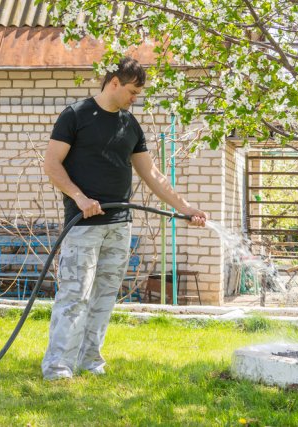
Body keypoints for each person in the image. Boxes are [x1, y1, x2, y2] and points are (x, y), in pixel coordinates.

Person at [41, 57, 207, 380]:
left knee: (104, 296)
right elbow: (51, 165)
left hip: (119, 227)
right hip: (83, 225)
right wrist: (80, 198)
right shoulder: (75, 116)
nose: (135, 98)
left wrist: (185, 208)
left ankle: (90, 360)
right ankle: (58, 366)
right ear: (114, 82)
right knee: (75, 295)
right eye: (132, 91)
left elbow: (152, 174)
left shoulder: (129, 125)